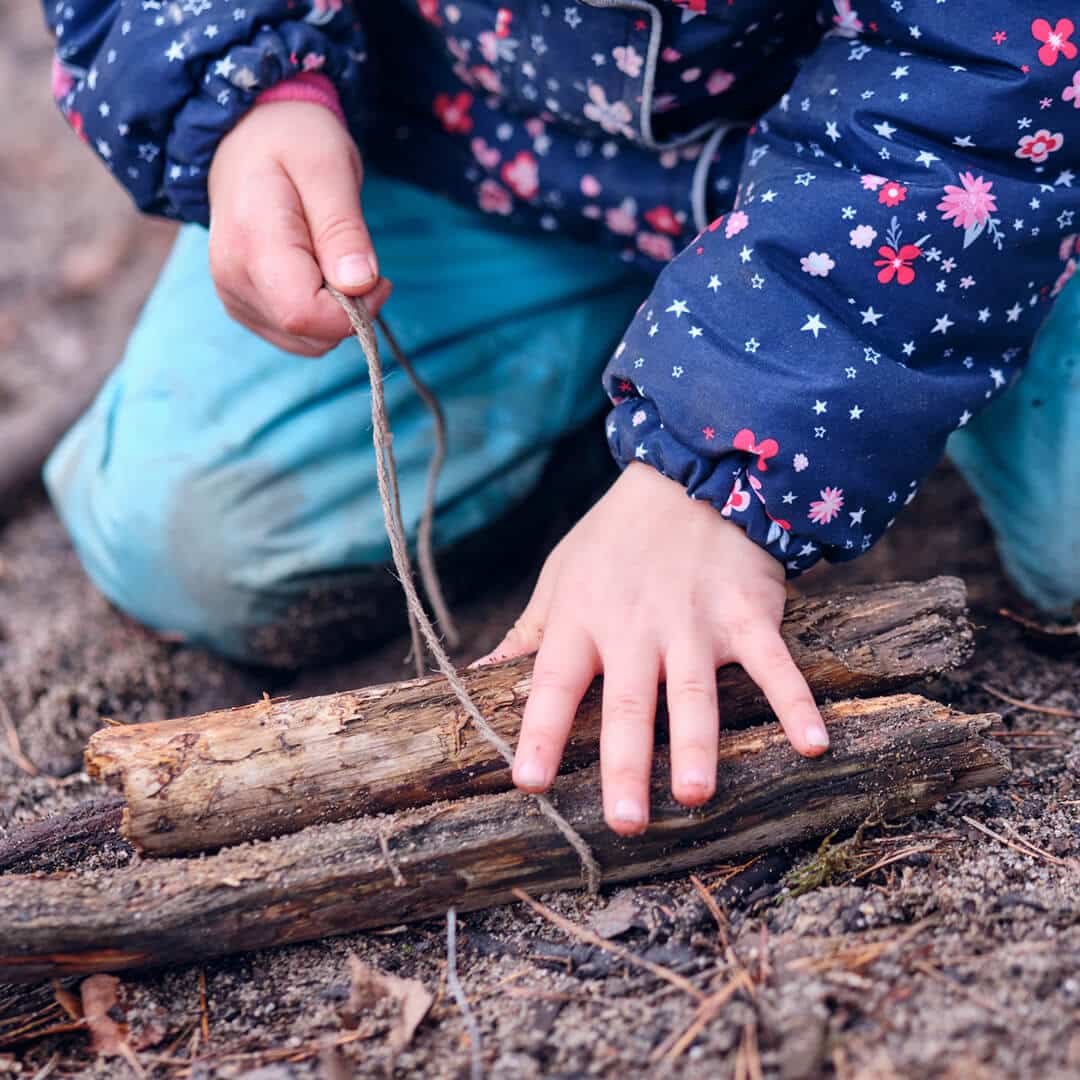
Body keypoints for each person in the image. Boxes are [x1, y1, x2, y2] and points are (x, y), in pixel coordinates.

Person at [41, 1, 1079, 834]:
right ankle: (619, 425)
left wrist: (717, 471)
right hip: (477, 152)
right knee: (197, 532)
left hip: (941, 175)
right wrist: (249, 80)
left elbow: (988, 67)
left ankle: (780, 412)